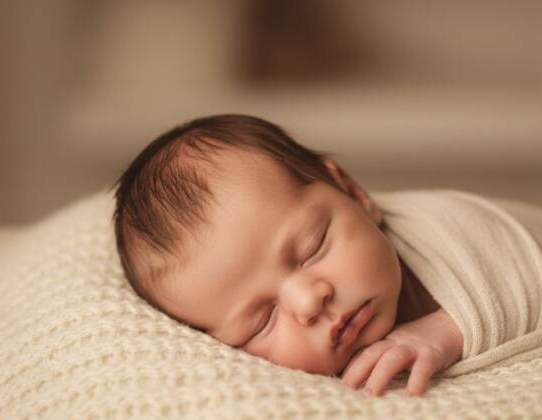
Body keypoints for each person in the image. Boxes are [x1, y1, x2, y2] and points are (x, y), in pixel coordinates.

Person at [113, 114, 464, 397]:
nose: (309, 301)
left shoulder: (447, 230)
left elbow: (519, 271)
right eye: (262, 320)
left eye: (313, 248)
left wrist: (442, 331)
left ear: (352, 192)